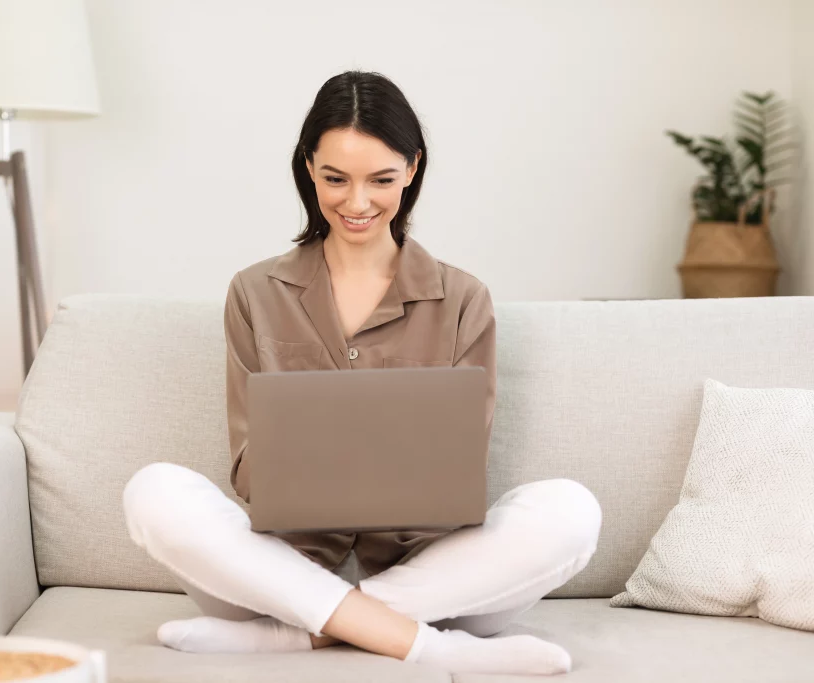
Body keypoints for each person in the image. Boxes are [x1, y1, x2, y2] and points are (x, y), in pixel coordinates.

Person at [123, 70, 602, 676]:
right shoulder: (254, 292)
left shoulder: (463, 299)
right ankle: (429, 647)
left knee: (570, 510)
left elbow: (458, 473)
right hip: (280, 568)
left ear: (412, 168)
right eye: (335, 179)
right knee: (154, 491)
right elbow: (246, 470)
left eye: (380, 179)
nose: (357, 203)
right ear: (307, 167)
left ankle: (300, 635)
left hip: (435, 580)